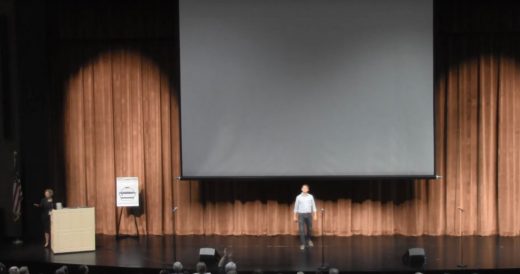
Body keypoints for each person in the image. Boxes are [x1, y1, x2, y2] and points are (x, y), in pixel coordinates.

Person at [293, 184, 317, 250]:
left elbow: (314, 206)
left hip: (309, 214)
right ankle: (303, 244)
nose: (304, 189)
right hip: (301, 215)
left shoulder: (311, 197)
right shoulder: (298, 197)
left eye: (306, 188)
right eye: (303, 188)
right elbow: (296, 207)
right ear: (301, 189)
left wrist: (315, 215)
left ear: (308, 190)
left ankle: (309, 240)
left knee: (309, 228)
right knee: (301, 230)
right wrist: (294, 216)